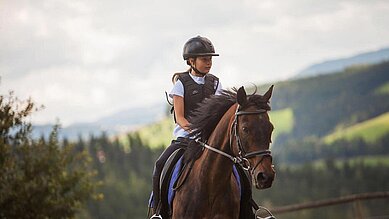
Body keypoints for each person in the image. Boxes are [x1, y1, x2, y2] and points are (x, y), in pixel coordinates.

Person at [150, 35, 223, 217]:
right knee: (160, 166)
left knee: (239, 169)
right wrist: (196, 131)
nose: (209, 63)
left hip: (211, 141)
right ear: (191, 61)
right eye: (205, 59)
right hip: (185, 140)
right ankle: (159, 211)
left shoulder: (215, 83)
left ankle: (249, 210)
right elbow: (180, 118)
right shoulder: (181, 84)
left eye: (210, 59)